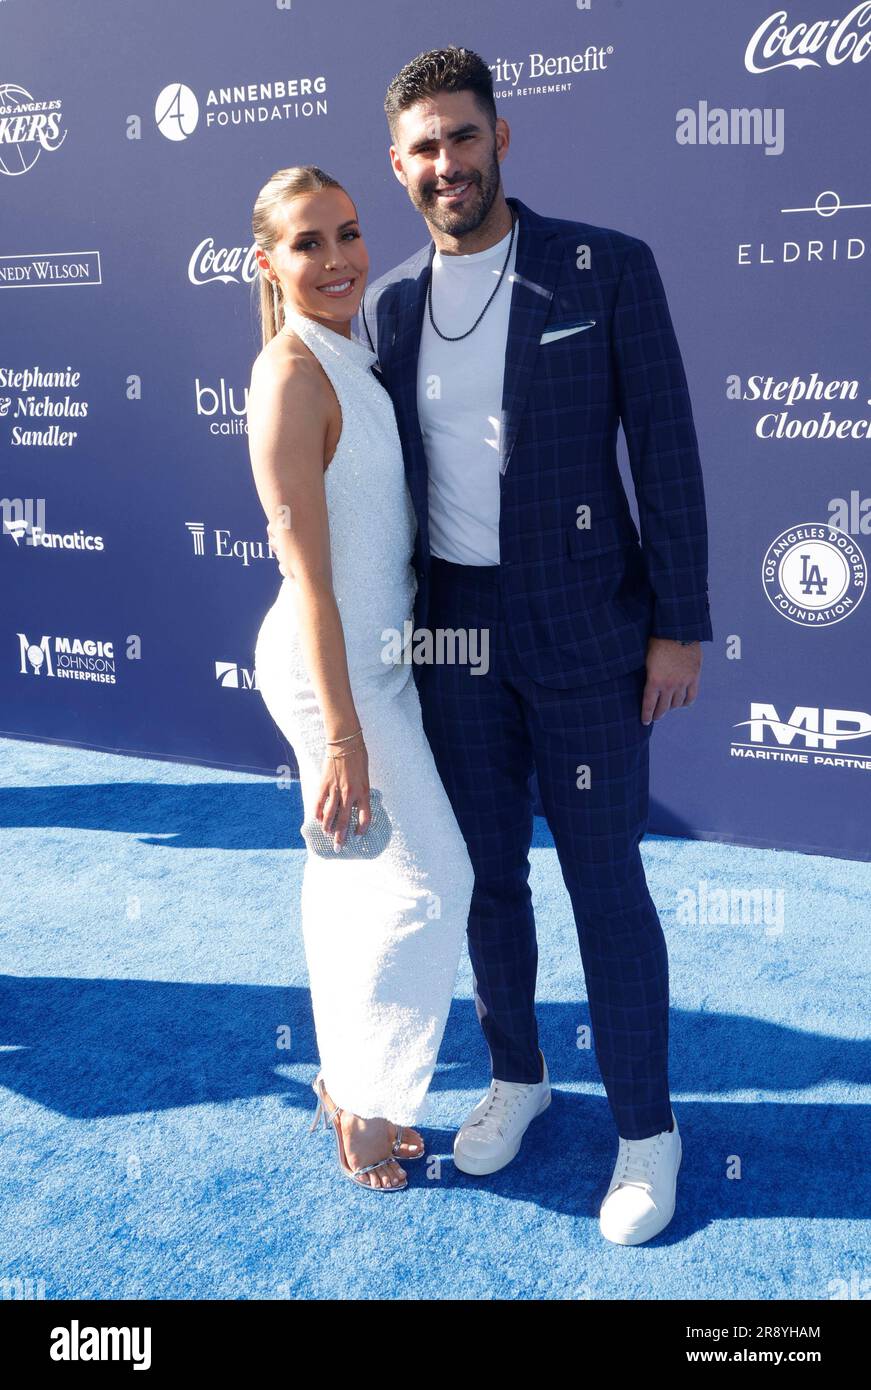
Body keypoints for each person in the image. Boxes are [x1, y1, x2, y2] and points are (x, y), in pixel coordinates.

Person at [353, 46, 714, 1244]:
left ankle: (648, 1130)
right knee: (485, 879)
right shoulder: (392, 303)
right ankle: (518, 1073)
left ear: (502, 137)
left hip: (588, 630)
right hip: (454, 631)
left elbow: (663, 451)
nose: (443, 163)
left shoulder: (604, 268)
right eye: (421, 148)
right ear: (397, 166)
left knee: (606, 882)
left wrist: (677, 623)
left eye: (461, 137)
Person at [248, 166, 474, 1192]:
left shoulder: (346, 352)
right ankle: (370, 1104)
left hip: (374, 664)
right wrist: (341, 732)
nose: (337, 259)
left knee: (351, 886)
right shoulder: (292, 374)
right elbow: (309, 577)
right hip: (330, 670)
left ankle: (345, 1085)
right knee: (436, 884)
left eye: (346, 233)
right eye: (308, 243)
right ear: (268, 262)